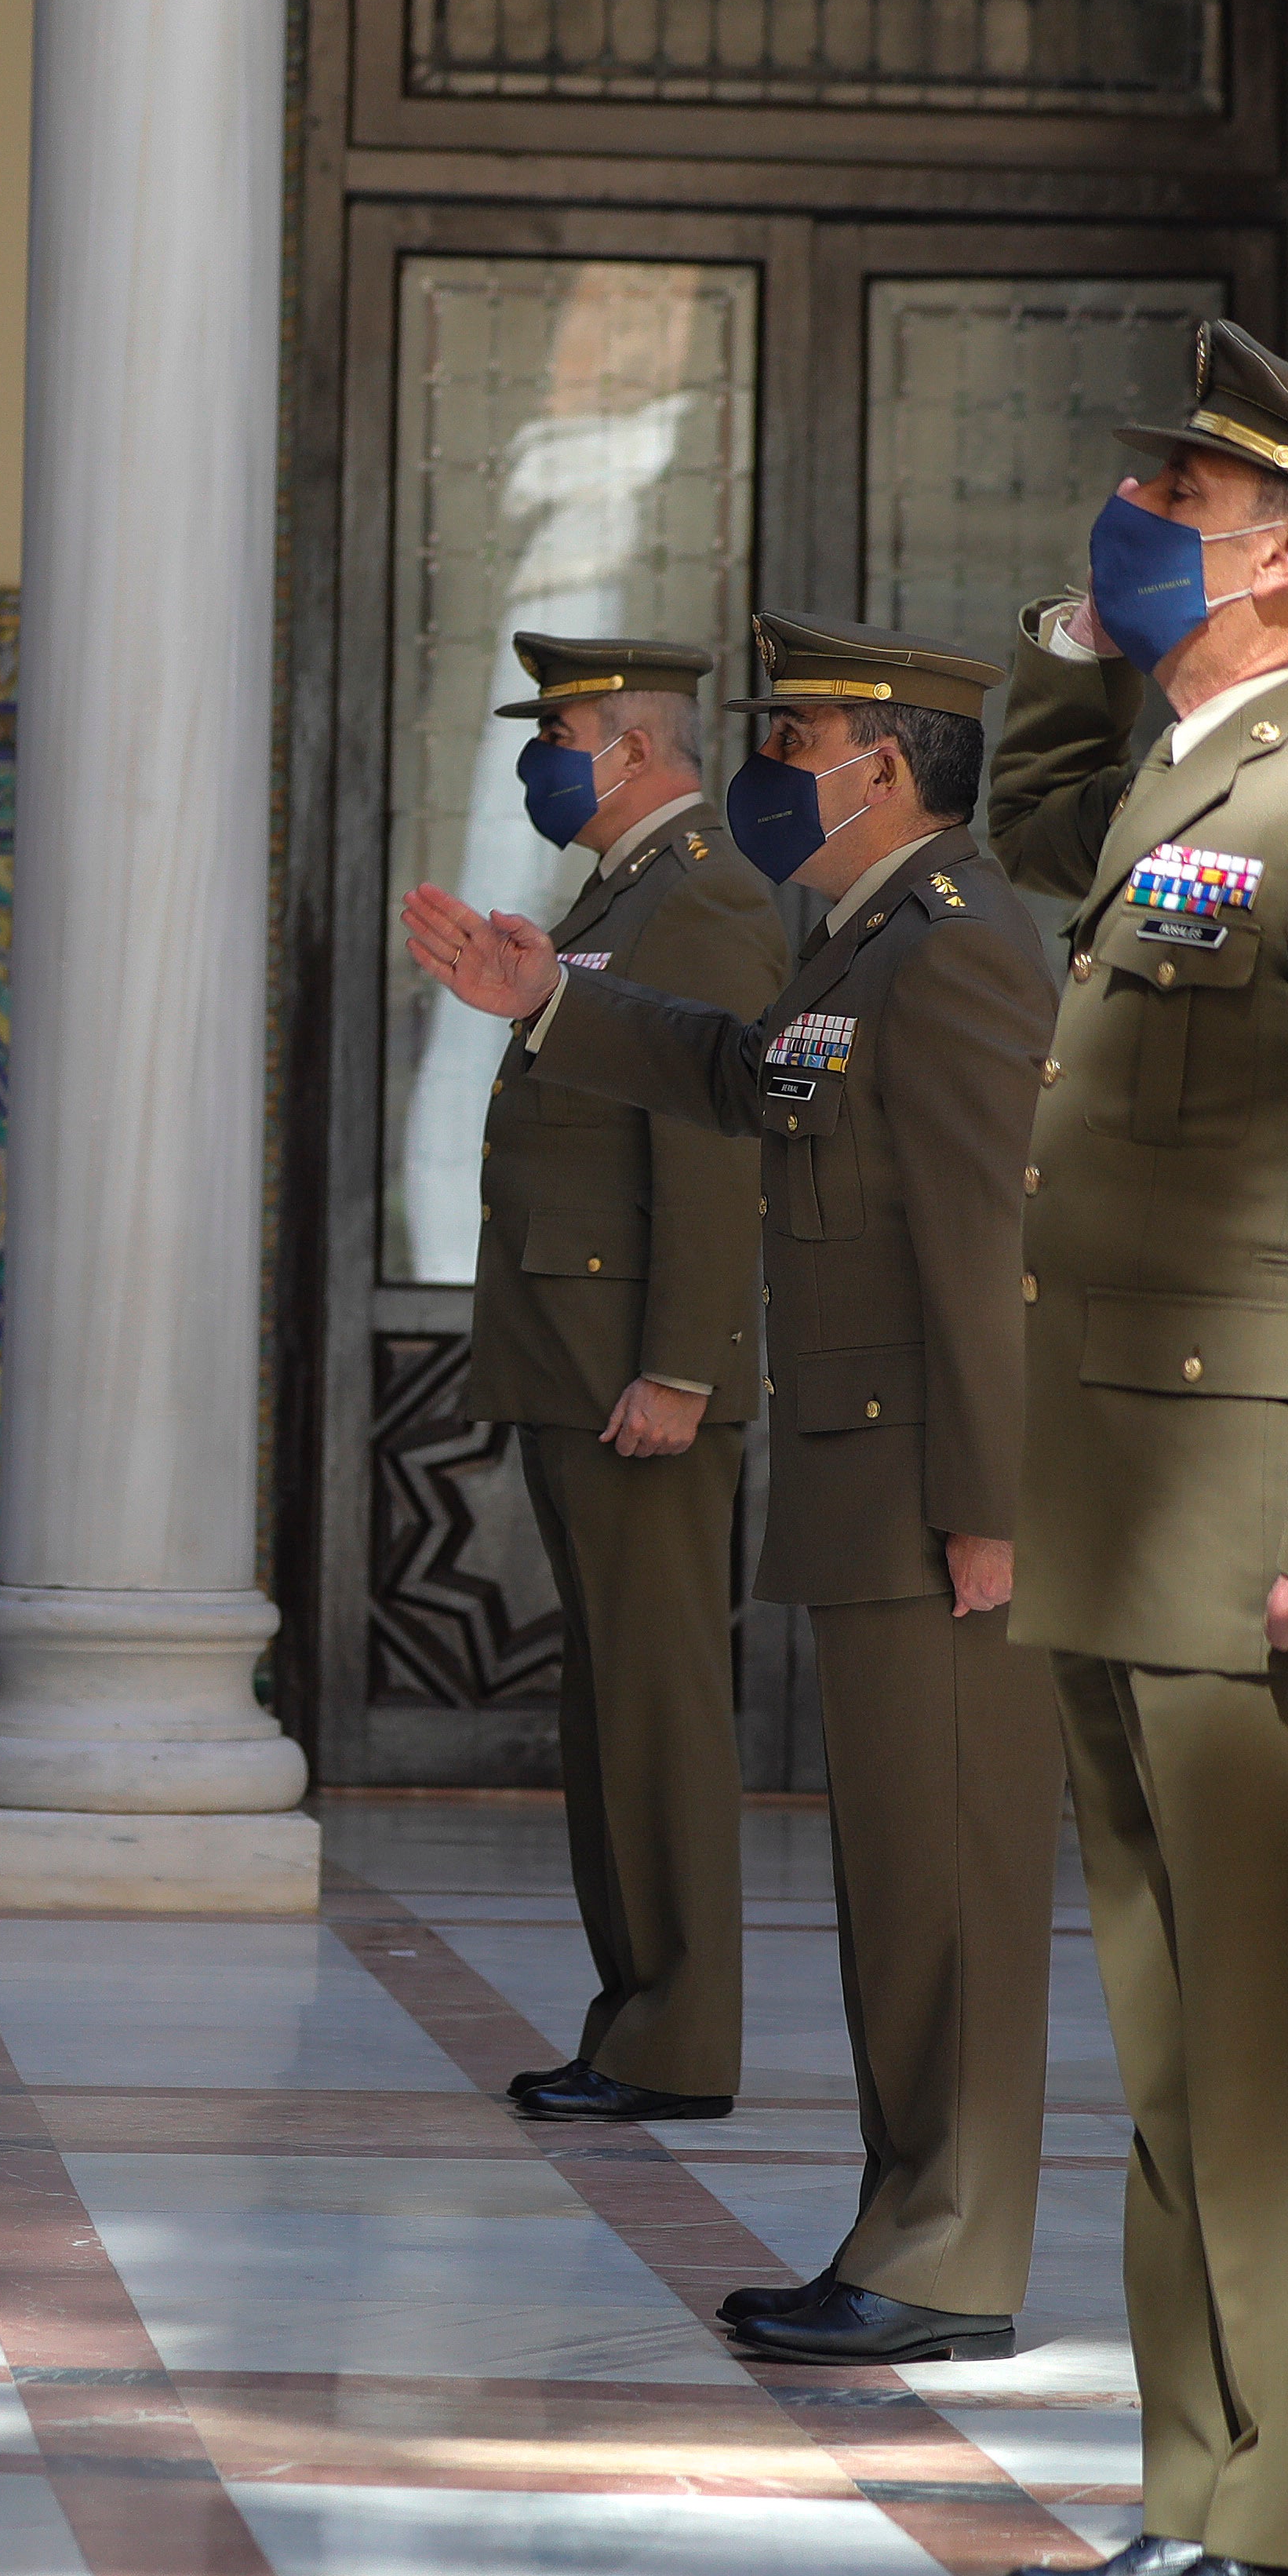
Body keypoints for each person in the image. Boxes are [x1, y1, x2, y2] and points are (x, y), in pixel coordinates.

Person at [960, 322, 1288, 2576]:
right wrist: (1080, 643)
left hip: (1251, 1508)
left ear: (1280, 548)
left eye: (1174, 497)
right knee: (1186, 2040)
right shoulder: (1202, 784)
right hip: (1130, 1504)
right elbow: (1046, 834)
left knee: (1282, 2044)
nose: (1133, 517)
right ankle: (1216, 2491)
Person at [407, 615, 1059, 2357]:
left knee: (943, 1885)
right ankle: (909, 2221)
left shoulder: (959, 947)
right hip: (872, 1481)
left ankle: (943, 2245)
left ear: (888, 768)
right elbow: (731, 1077)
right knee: (893, 1885)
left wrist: (995, 1501)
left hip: (932, 1490)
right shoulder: (857, 950)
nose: (774, 766)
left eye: (802, 741)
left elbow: (991, 1244)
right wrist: (549, 998)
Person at [464, 632, 784, 2122]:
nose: (546, 757)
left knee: (656, 1709)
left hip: (632, 1376)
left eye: (568, 730)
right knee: (610, 1705)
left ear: (640, 752)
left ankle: (674, 2037)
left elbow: (714, 1151)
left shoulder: (705, 893)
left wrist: (678, 1367)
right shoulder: (624, 896)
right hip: (572, 1359)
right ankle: (632, 2019)